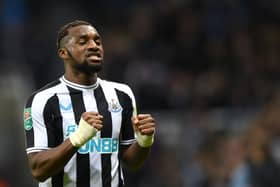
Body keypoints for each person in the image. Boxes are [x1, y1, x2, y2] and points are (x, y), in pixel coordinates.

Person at [23, 20, 156, 187]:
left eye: (97, 41)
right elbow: (38, 170)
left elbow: (131, 162)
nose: (94, 46)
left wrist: (144, 142)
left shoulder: (122, 94)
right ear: (63, 53)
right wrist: (76, 139)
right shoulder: (43, 100)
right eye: (83, 41)